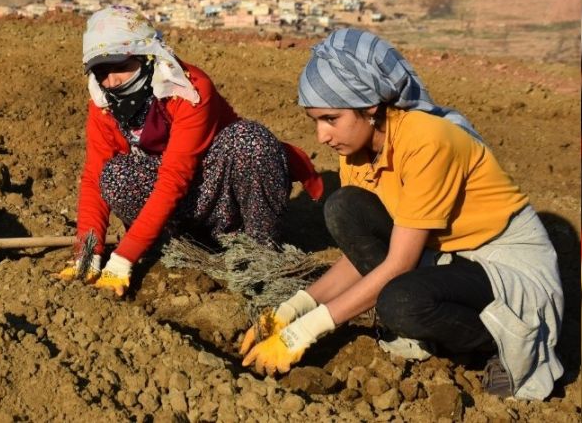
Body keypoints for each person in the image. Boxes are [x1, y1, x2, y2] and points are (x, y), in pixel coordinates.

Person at [239, 28, 563, 401]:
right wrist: (292, 309)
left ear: (371, 108)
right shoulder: (356, 153)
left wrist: (305, 332)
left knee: (400, 302)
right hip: (448, 256)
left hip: (504, 266)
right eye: (316, 120)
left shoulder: (427, 142)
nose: (322, 136)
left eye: (331, 118)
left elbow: (399, 263)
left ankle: (498, 346)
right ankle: (430, 328)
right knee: (344, 208)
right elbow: (360, 255)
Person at [56, 5, 323, 297]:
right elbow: (95, 176)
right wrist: (87, 252)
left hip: (217, 189)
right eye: (101, 71)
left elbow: (175, 177)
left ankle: (260, 255)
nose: (112, 81)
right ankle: (176, 247)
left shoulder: (189, 89)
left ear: (146, 57)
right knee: (114, 176)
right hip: (178, 210)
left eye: (119, 66)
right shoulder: (103, 104)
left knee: (250, 140)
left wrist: (124, 256)